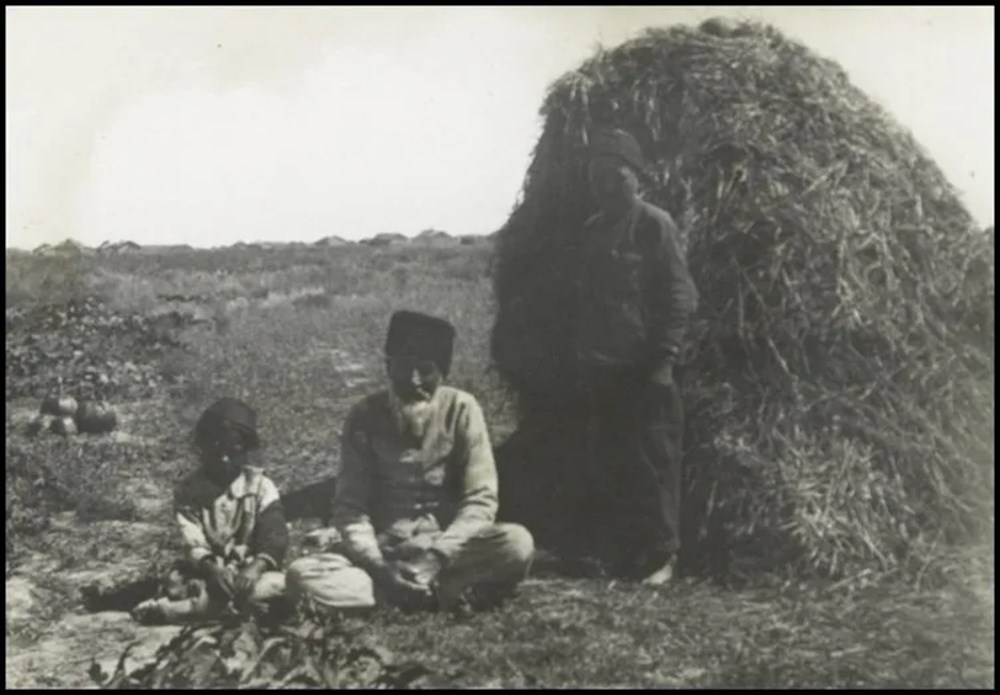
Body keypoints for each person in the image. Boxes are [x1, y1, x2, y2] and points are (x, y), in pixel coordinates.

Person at [286, 310, 535, 613]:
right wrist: (379, 568)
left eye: (426, 370)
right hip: (384, 551)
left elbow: (480, 500)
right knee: (301, 575)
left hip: (446, 549)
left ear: (443, 373)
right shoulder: (363, 416)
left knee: (516, 544)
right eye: (404, 367)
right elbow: (350, 508)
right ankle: (426, 593)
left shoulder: (463, 410)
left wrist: (435, 558)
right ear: (388, 367)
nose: (414, 381)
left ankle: (398, 595)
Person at [570, 126, 699, 585]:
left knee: (656, 459)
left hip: (646, 369)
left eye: (616, 176)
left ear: (637, 177)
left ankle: (664, 556)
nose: (606, 186)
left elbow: (679, 296)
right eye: (597, 177)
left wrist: (663, 361)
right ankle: (626, 552)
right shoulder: (591, 231)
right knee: (613, 459)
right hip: (604, 368)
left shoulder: (653, 225)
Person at [131, 397, 289, 623]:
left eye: (232, 452)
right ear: (202, 449)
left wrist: (255, 567)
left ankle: (187, 610)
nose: (224, 460)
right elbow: (192, 541)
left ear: (246, 452)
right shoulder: (189, 491)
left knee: (273, 586)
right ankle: (207, 606)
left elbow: (275, 537)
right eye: (216, 452)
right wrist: (214, 571)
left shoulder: (261, 487)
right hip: (207, 572)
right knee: (177, 583)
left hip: (249, 572)